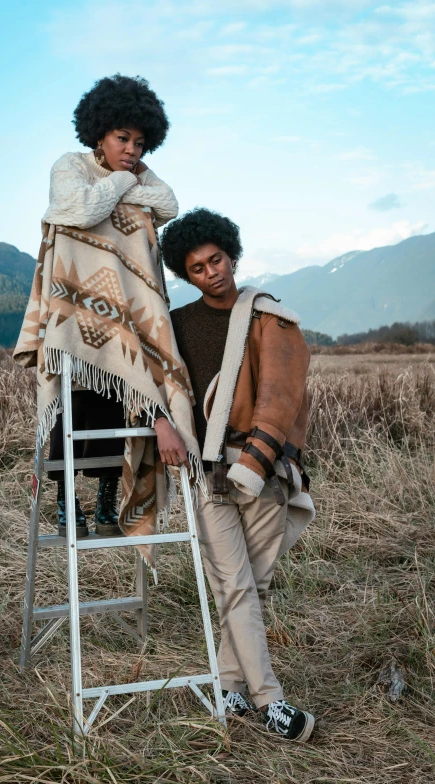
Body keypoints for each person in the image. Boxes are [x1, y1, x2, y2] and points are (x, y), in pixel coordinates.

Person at [159, 208, 317, 741]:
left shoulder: (269, 317)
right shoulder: (178, 324)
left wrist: (259, 461)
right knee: (235, 586)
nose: (212, 273)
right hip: (208, 474)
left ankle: (229, 687)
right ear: (187, 275)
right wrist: (160, 421)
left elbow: (282, 396)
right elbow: (155, 381)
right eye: (198, 268)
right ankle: (272, 702)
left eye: (217, 259)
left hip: (265, 473)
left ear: (232, 254)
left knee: (252, 587)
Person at [40, 74, 181, 537]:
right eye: (123, 138)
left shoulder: (140, 173)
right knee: (71, 407)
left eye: (140, 142)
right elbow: (76, 210)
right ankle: (66, 502)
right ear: (98, 132)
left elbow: (169, 204)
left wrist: (121, 184)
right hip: (75, 306)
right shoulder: (71, 165)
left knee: (114, 402)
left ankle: (104, 500)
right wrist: (122, 180)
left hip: (123, 311)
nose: (133, 150)